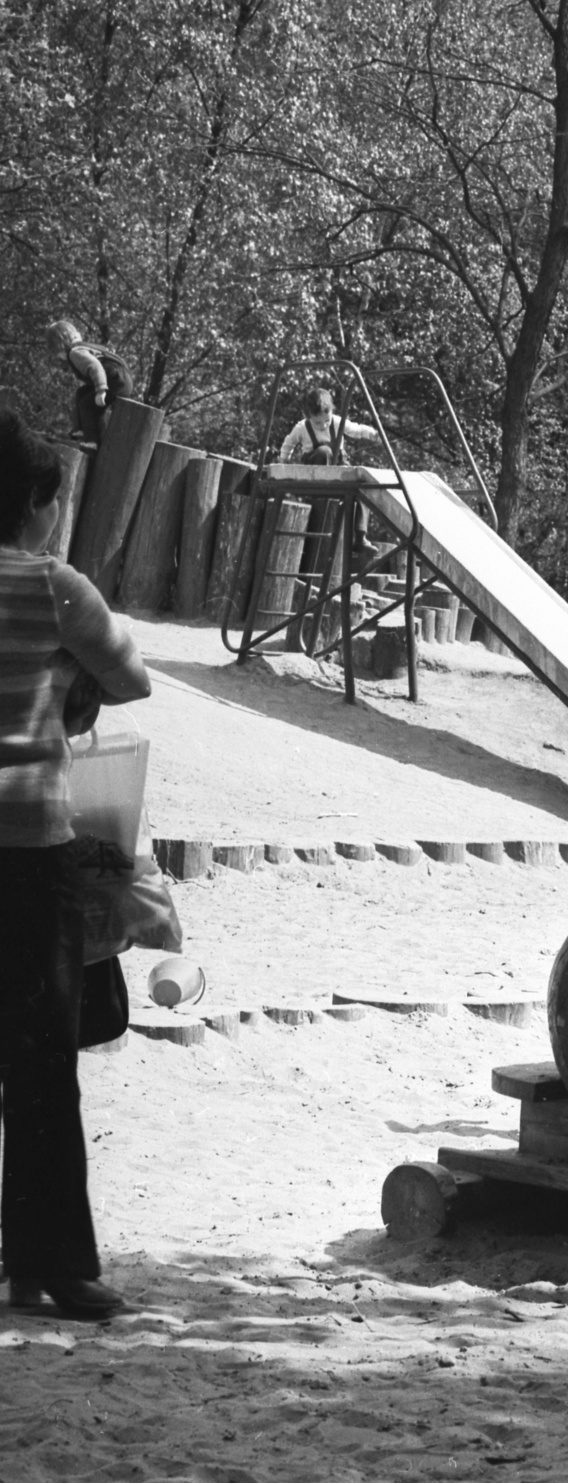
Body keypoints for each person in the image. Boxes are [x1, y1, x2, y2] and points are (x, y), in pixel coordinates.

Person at [0, 407, 152, 1318]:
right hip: (27, 849)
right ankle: (51, 1263)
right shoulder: (56, 587)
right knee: (43, 1058)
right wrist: (67, 679)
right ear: (37, 504)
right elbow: (132, 678)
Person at [45, 320, 133, 442]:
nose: (58, 357)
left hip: (115, 381)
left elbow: (95, 367)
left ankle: (93, 441)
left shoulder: (75, 353)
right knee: (81, 394)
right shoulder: (83, 347)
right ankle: (80, 430)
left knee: (87, 405)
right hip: (121, 378)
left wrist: (101, 390)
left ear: (59, 347)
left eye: (56, 353)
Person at [278, 387, 381, 465]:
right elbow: (289, 442)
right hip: (313, 467)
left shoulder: (337, 422)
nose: (323, 425)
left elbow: (356, 430)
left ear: (332, 412)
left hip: (336, 464)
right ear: (308, 417)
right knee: (324, 451)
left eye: (327, 420)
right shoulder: (302, 428)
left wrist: (372, 434)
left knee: (346, 466)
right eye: (317, 423)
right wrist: (284, 460)